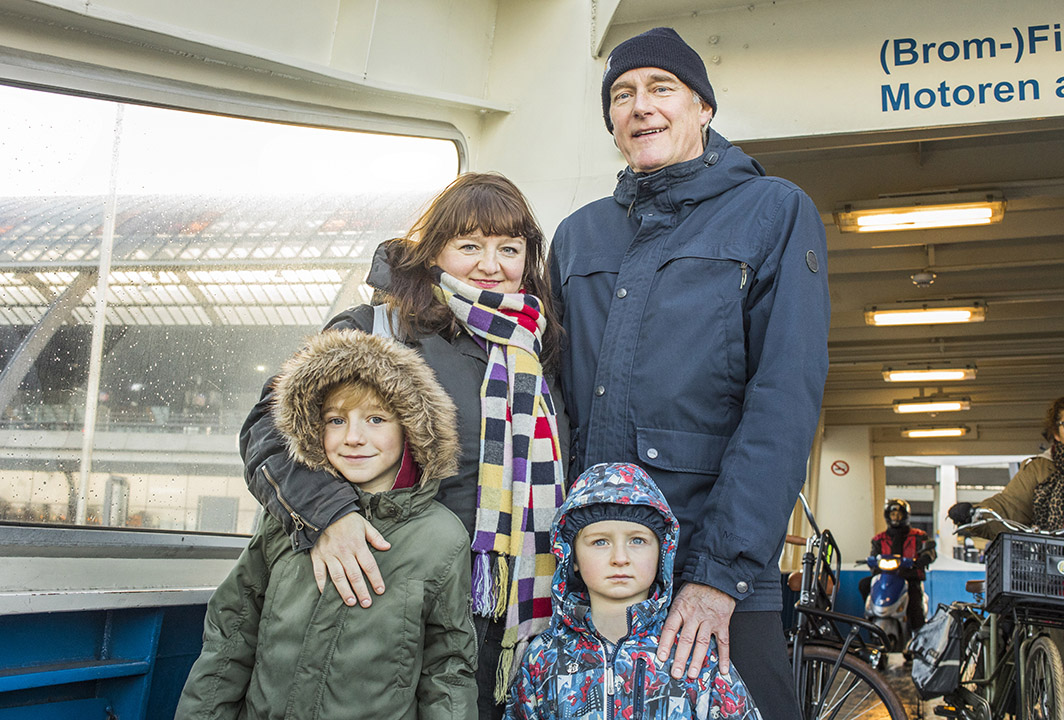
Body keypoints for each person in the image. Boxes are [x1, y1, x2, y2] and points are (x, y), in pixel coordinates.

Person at [548, 27, 829, 718]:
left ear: (703, 108)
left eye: (660, 88)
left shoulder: (774, 211)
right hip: (596, 564)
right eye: (622, 95)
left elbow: (782, 398)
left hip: (715, 564)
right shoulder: (579, 236)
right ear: (611, 122)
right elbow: (547, 398)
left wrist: (718, 576)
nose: (640, 105)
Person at [240, 172, 568, 717]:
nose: (491, 265)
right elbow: (269, 428)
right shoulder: (377, 329)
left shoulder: (535, 347)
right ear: (434, 251)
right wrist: (329, 515)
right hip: (384, 599)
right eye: (470, 246)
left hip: (496, 619)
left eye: (509, 249)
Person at [176, 329, 476, 719]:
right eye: (335, 420)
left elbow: (448, 669)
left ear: (411, 428)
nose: (354, 437)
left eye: (376, 419)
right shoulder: (285, 520)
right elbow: (231, 634)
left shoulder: (441, 537)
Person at [505, 462, 761, 720]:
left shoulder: (692, 653)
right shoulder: (543, 657)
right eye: (600, 541)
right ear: (572, 557)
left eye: (637, 540)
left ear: (663, 552)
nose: (620, 557)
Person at [948, 392, 1064, 689]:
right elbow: (1008, 507)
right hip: (1051, 579)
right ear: (1057, 432)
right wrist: (974, 514)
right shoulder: (1041, 470)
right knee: (1019, 639)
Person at [857, 499, 935, 633]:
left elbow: (929, 551)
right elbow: (874, 556)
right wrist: (871, 561)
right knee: (864, 584)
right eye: (893, 514)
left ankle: (919, 636)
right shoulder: (878, 539)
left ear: (905, 516)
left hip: (910, 578)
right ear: (887, 516)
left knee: (915, 602)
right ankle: (870, 618)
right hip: (886, 579)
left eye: (899, 514)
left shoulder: (919, 536)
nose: (896, 517)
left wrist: (924, 558)